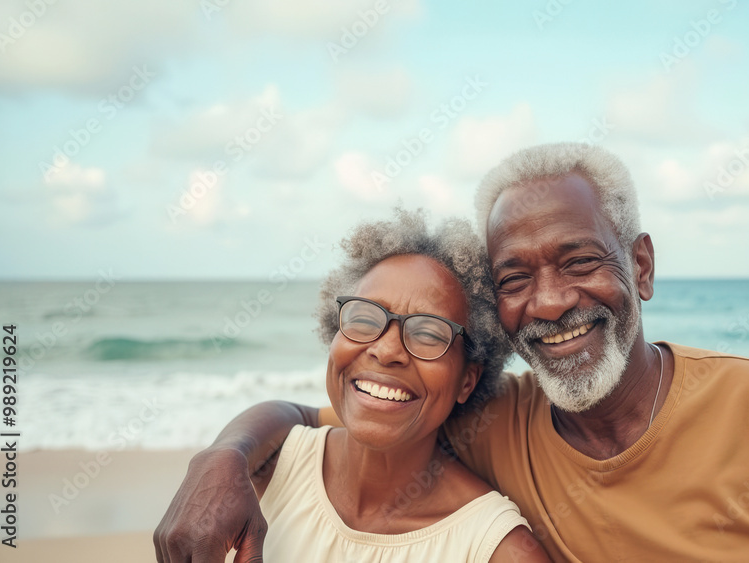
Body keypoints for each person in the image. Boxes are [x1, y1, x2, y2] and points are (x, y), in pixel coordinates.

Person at [155, 143, 749, 562]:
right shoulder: (492, 419)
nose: (550, 301)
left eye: (580, 260)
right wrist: (220, 457)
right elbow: (321, 415)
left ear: (641, 266)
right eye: (516, 276)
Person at [155, 210, 549, 562]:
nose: (386, 349)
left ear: (467, 380)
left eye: (429, 332)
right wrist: (224, 455)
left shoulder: (495, 548)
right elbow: (292, 415)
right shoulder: (263, 469)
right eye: (364, 317)